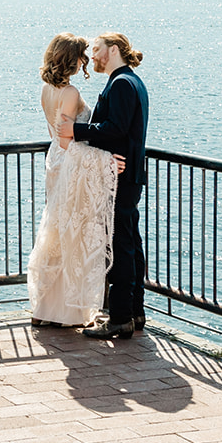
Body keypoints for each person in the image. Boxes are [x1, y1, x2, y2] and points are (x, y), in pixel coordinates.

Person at [27, 33, 122, 328]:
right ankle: (66, 310)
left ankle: (46, 306)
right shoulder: (69, 92)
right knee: (72, 232)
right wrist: (104, 161)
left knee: (56, 229)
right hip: (69, 162)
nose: (86, 60)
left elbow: (56, 136)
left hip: (55, 159)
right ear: (72, 58)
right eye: (83, 55)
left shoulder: (46, 89)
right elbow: (68, 138)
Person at [73, 31, 149, 339]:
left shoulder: (120, 84)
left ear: (113, 49)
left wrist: (76, 130)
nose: (92, 56)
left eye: (97, 49)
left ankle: (119, 317)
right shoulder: (132, 82)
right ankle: (134, 311)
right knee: (131, 243)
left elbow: (114, 128)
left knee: (120, 245)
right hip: (129, 175)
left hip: (120, 177)